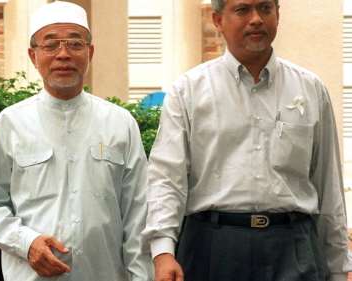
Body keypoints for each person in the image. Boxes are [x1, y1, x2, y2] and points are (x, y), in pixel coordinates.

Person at [143, 0, 351, 280]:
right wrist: (163, 251)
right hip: (212, 248)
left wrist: (340, 267)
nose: (256, 19)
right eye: (242, 10)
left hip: (294, 248)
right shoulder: (189, 91)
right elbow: (167, 177)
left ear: (278, 13)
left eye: (265, 8)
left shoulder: (310, 89)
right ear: (218, 20)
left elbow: (328, 186)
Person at [0, 1, 153, 280]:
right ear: (33, 55)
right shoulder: (11, 124)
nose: (63, 54)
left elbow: (138, 212)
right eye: (51, 45)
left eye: (75, 44)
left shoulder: (119, 123)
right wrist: (26, 242)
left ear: (90, 52)